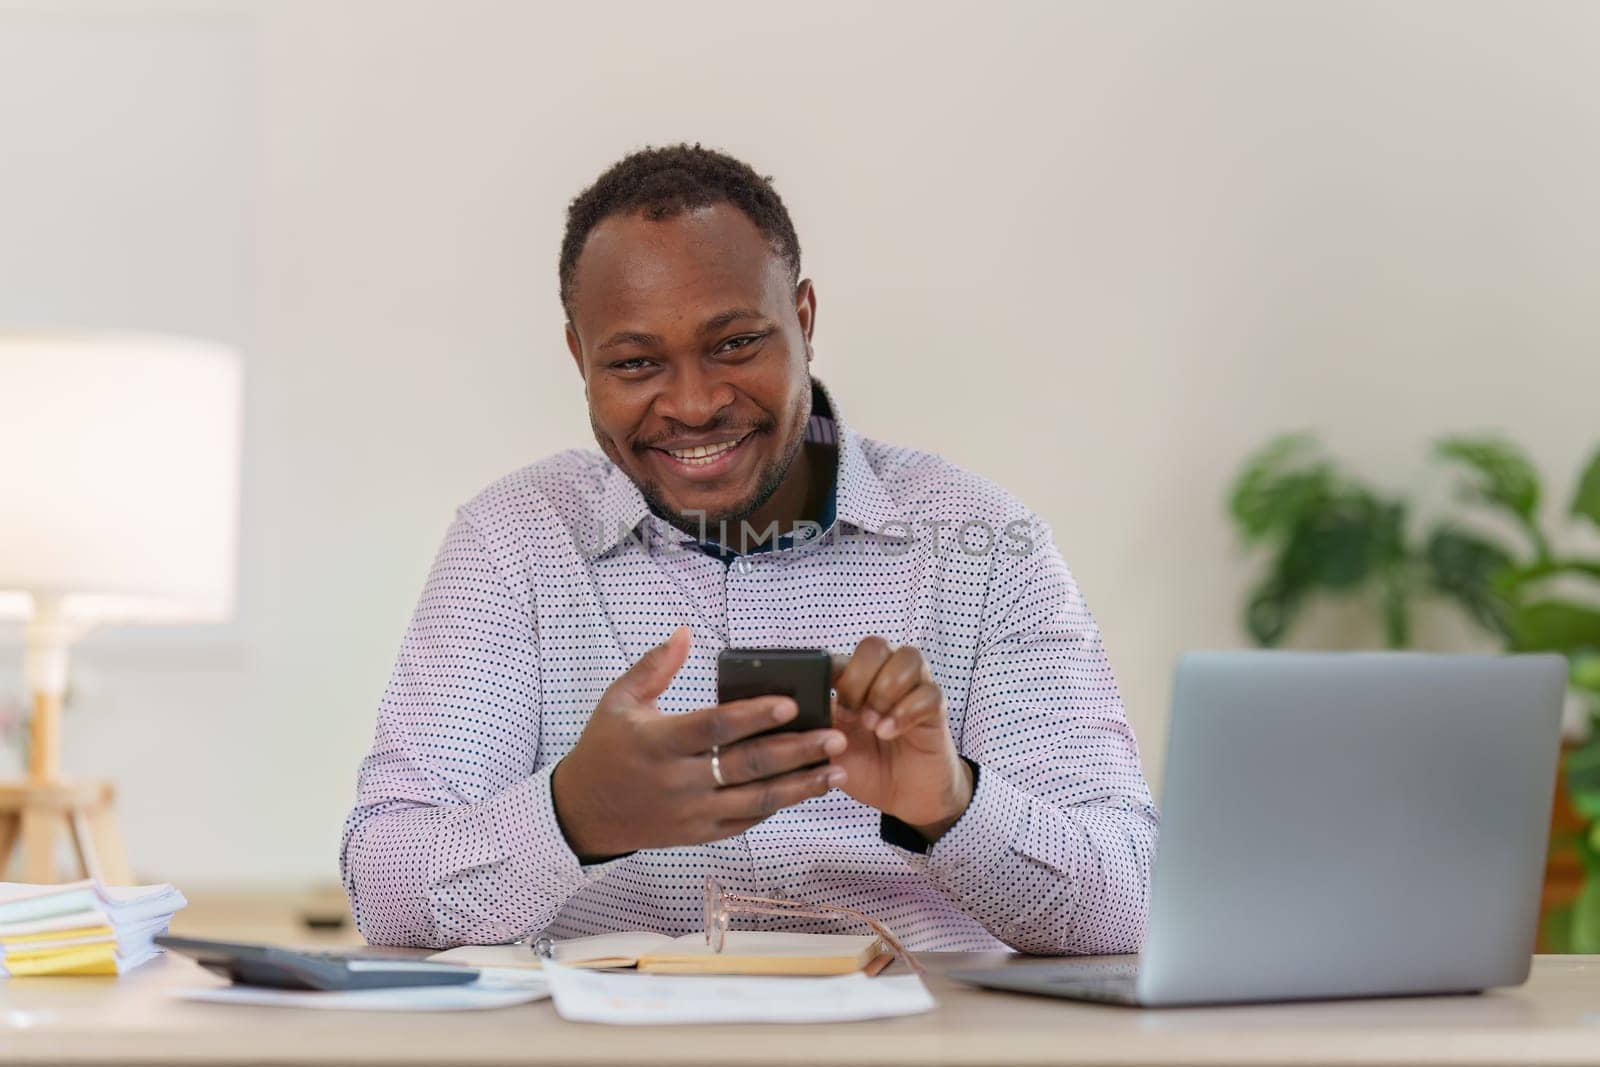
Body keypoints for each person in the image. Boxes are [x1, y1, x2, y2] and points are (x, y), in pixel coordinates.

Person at [341, 144, 1158, 953]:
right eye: (635, 362)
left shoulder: (984, 545)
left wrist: (952, 803)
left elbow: (1132, 898)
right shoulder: (511, 544)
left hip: (910, 1039)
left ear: (803, 319)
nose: (694, 405)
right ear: (578, 358)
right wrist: (573, 817)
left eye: (735, 344)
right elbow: (386, 884)